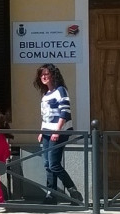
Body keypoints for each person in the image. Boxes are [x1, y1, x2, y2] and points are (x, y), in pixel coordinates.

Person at [34, 63, 83, 205]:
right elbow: (45, 115)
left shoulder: (61, 90)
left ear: (53, 75)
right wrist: (42, 131)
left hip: (59, 131)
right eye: (41, 75)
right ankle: (51, 194)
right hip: (47, 132)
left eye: (46, 74)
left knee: (54, 164)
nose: (43, 77)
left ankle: (74, 193)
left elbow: (65, 112)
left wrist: (57, 130)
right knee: (48, 164)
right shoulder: (46, 94)